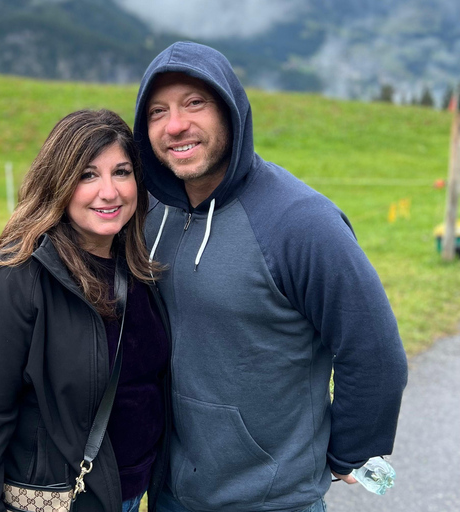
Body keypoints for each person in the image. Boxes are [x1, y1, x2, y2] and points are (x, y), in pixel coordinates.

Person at [132, 42, 409, 512]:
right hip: (168, 493)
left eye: (194, 103)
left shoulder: (301, 222)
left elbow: (374, 351)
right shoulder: (149, 214)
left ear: (231, 111)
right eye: (157, 111)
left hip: (271, 499)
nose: (175, 125)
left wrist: (351, 453)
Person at [0, 109, 171, 512]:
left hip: (134, 494)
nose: (110, 191)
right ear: (58, 182)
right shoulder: (17, 277)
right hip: (61, 500)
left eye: (121, 172)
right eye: (87, 175)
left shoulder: (136, 267)